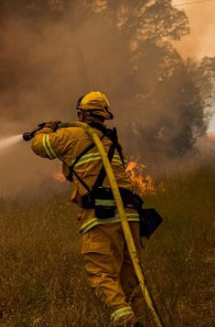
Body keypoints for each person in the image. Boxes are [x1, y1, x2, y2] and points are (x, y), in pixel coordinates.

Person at [29, 91, 144, 326]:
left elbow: (39, 146)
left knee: (101, 272)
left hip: (101, 217)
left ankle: (126, 320)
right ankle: (139, 317)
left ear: (80, 114)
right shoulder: (113, 140)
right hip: (130, 215)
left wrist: (46, 128)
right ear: (104, 114)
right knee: (130, 276)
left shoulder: (73, 134)